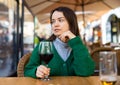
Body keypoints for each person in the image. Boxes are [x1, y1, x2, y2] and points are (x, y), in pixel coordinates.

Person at [24, 6, 95, 79]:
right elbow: (27, 71)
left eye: (60, 20)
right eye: (53, 21)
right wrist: (36, 71)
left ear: (71, 23)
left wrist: (75, 41)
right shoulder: (43, 45)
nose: (55, 24)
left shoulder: (79, 46)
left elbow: (85, 72)